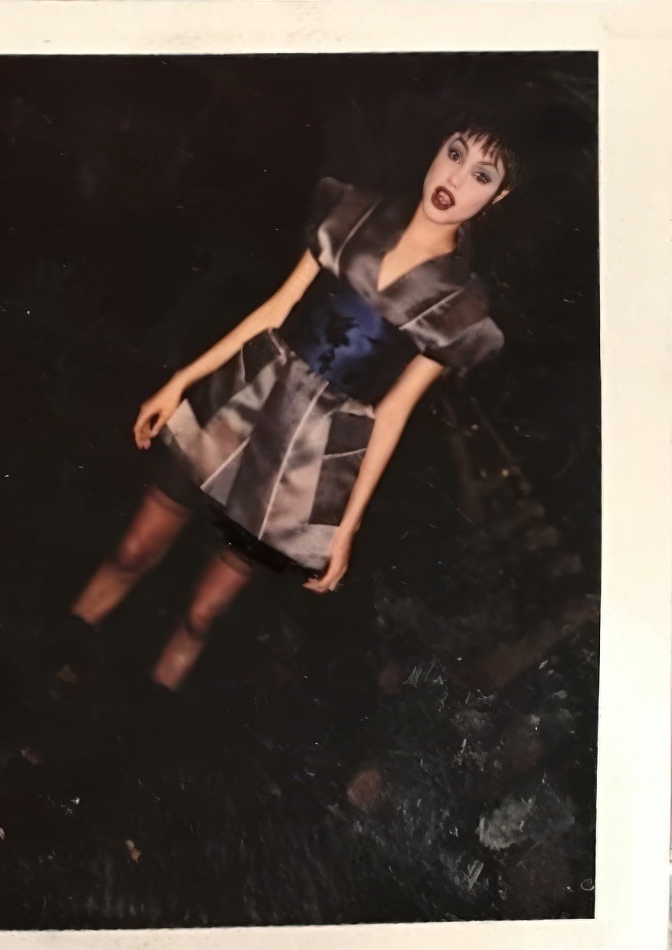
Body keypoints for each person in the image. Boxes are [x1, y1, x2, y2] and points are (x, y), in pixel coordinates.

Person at [48, 120, 520, 692]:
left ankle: (144, 714)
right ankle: (53, 668)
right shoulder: (355, 214)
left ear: (498, 197)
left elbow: (393, 413)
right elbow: (275, 310)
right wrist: (180, 382)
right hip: (246, 397)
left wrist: (346, 529)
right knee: (134, 549)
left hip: (311, 456)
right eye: (454, 153)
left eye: (481, 176)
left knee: (203, 611)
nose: (455, 179)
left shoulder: (462, 307)